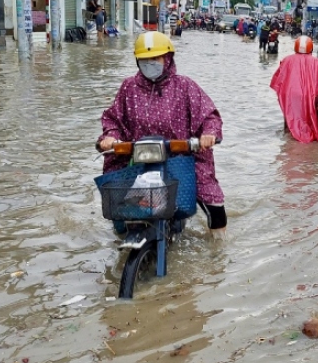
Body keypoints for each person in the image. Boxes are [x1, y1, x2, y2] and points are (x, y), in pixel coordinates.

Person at [96, 32, 228, 238]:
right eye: (145, 60)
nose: (150, 63)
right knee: (119, 203)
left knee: (213, 202)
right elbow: (113, 118)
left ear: (168, 58)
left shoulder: (185, 86)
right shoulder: (128, 87)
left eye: (155, 58)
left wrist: (209, 134)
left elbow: (210, 117)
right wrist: (110, 137)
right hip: (138, 159)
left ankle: (219, 252)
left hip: (179, 158)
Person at [269, 35, 318, 143]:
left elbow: (278, 79)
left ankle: (290, 131)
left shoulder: (287, 60)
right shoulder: (316, 62)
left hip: (291, 95)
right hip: (309, 95)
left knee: (290, 114)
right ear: (310, 47)